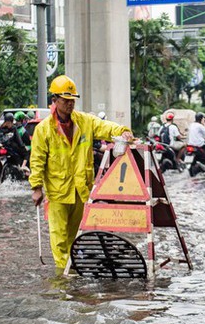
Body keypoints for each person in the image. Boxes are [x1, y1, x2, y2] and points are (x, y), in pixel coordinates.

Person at [29, 75, 134, 271]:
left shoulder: (84, 121)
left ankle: (72, 269)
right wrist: (36, 187)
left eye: (72, 100)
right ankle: (63, 275)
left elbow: (105, 127)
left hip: (80, 190)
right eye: (65, 100)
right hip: (58, 192)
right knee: (59, 237)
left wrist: (123, 131)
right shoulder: (44, 129)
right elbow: (37, 160)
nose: (70, 104)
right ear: (55, 100)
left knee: (75, 236)